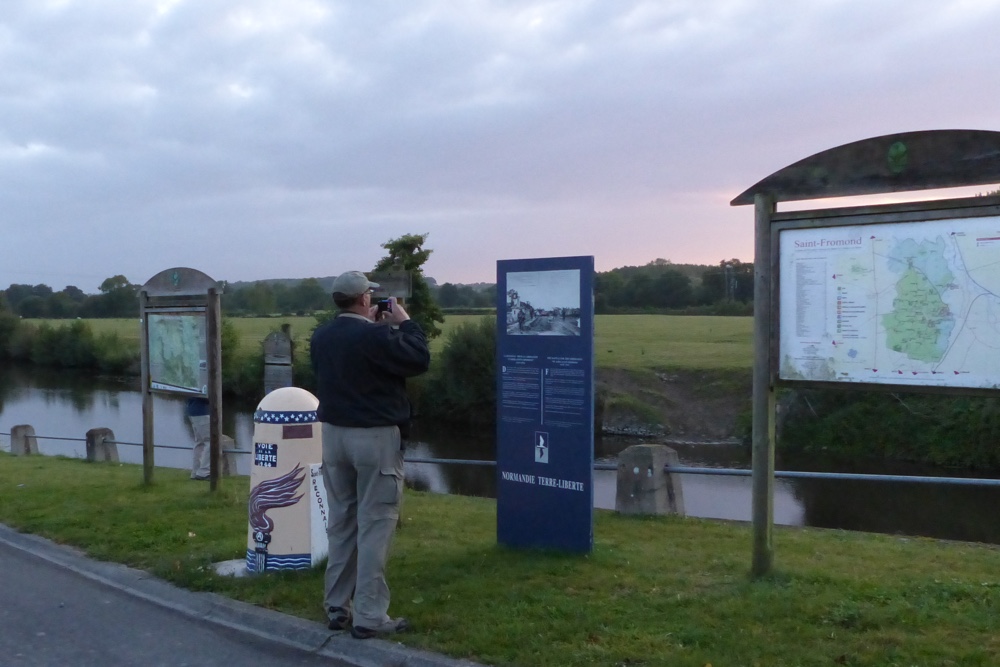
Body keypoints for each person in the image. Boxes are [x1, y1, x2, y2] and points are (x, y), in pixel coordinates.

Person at [310, 270, 430, 639]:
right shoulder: (375, 336)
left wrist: (381, 331)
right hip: (374, 438)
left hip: (333, 436)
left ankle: (336, 605)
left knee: (342, 520)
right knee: (376, 523)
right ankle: (370, 615)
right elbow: (418, 359)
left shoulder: (321, 336)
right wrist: (405, 324)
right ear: (364, 299)